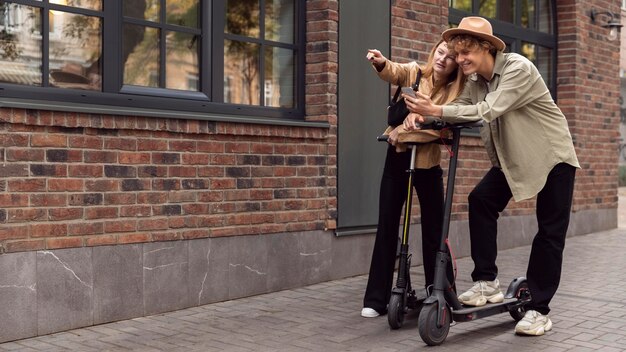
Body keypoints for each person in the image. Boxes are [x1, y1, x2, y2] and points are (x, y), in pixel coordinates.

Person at [403, 16, 580, 336]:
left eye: (466, 52)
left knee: (549, 234)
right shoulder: (475, 81)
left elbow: (487, 110)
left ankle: (539, 310)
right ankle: (486, 282)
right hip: (512, 159)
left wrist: (438, 112)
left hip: (554, 157)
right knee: (481, 199)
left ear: (487, 48)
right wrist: (424, 117)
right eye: (456, 54)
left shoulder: (517, 69)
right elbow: (457, 107)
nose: (460, 60)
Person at [361, 39, 466, 318]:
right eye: (441, 52)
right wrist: (381, 63)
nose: (443, 59)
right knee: (387, 225)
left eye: (451, 56)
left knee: (434, 231)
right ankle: (376, 299)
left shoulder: (457, 92)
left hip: (428, 163)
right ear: (434, 53)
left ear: (457, 63)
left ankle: (439, 293)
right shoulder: (416, 73)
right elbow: (394, 71)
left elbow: (445, 131)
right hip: (397, 160)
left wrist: (405, 129)